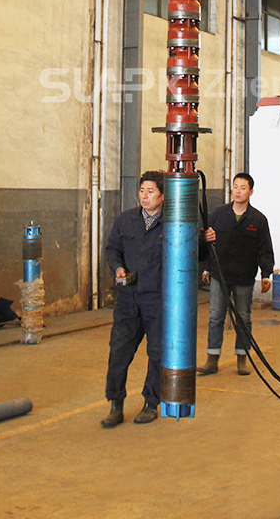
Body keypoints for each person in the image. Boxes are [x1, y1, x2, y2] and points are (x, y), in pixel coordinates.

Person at [101, 171, 165, 428]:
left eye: (150, 191)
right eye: (142, 191)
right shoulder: (125, 220)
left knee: (157, 353)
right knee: (118, 351)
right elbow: (112, 249)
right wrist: (117, 267)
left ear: (162, 196)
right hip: (128, 299)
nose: (145, 196)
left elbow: (194, 252)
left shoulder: (172, 224)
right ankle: (115, 404)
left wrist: (206, 239)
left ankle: (151, 403)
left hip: (157, 301)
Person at [197, 172, 274, 376]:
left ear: (251, 192)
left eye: (243, 188)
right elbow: (207, 243)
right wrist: (207, 268)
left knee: (243, 318)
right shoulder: (218, 215)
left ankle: (242, 358)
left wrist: (266, 274)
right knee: (215, 317)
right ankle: (212, 359)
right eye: (236, 187)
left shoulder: (258, 220)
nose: (238, 191)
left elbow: (265, 249)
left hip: (244, 277)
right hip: (219, 275)